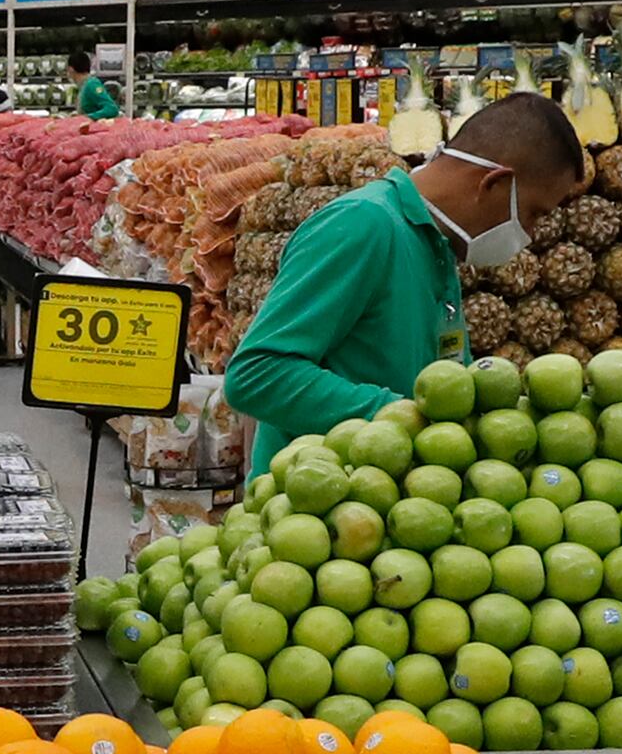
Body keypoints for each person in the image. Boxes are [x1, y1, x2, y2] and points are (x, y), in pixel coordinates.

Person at [221, 92, 586, 472]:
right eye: (532, 214)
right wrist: (399, 416)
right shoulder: (363, 225)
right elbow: (256, 373)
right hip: (320, 502)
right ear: (492, 184)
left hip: (400, 502)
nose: (529, 233)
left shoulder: (437, 245)